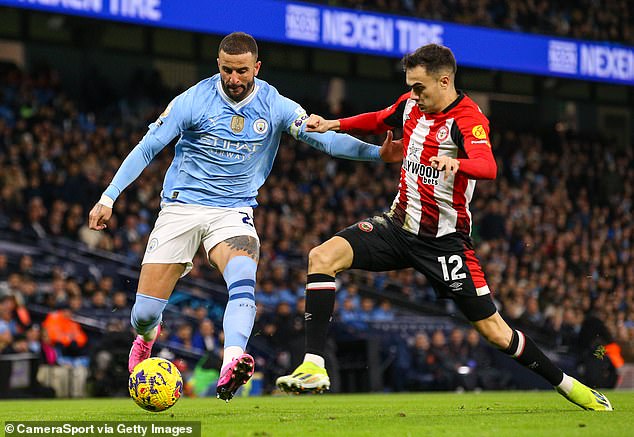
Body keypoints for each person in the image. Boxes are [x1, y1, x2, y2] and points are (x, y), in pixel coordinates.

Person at [276, 44, 613, 411]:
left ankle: (568, 385)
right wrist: (332, 123)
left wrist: (459, 165)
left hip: (444, 245)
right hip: (397, 226)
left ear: (444, 80)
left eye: (420, 87)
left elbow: (488, 166)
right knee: (322, 256)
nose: (414, 95)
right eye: (410, 86)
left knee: (495, 332)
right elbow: (379, 118)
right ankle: (314, 366)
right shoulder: (410, 105)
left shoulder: (468, 119)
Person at [88, 32, 401, 402]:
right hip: (181, 208)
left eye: (241, 71)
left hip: (233, 211)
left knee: (242, 276)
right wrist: (108, 197)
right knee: (144, 311)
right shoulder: (193, 100)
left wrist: (376, 155)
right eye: (226, 70)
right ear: (217, 66)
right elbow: (147, 148)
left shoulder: (274, 104)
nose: (234, 79)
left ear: (257, 67)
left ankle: (231, 363)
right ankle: (145, 336)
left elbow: (323, 139)